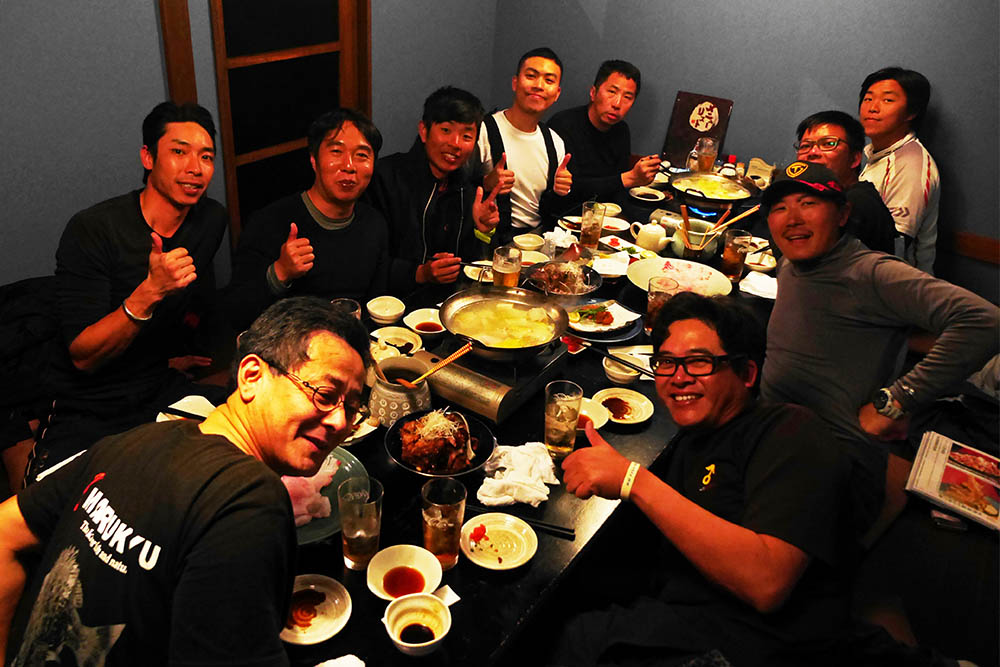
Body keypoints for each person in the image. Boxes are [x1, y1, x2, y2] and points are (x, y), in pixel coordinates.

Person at [0, 297, 369, 665]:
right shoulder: (249, 499)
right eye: (325, 394)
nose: (340, 422)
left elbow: (5, 529)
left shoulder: (135, 438)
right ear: (252, 376)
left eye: (351, 407)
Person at [557, 292, 852, 666]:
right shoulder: (696, 438)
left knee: (583, 639)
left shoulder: (792, 432)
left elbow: (767, 582)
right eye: (666, 362)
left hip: (763, 645)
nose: (678, 378)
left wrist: (633, 480)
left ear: (747, 373)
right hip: (686, 612)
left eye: (698, 362)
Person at [759, 161, 998, 542]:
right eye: (779, 208)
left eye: (808, 203)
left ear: (843, 214)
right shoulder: (791, 264)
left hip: (834, 461)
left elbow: (985, 321)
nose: (792, 218)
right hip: (780, 435)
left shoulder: (870, 272)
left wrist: (900, 398)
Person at [29, 101, 228, 484]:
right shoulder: (93, 229)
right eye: (179, 152)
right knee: (60, 504)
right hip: (88, 401)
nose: (195, 167)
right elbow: (83, 356)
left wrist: (170, 355)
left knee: (246, 442)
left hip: (156, 385)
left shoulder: (210, 219)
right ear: (148, 157)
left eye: (206, 156)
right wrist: (149, 292)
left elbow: (194, 301)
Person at [227, 108, 390, 330]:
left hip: (356, 342)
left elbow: (377, 304)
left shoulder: (375, 224)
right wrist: (280, 272)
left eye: (362, 155)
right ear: (314, 160)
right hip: (291, 346)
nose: (349, 166)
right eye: (336, 152)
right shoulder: (269, 223)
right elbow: (236, 312)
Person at [365, 86, 501, 296]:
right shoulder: (385, 178)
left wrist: (483, 231)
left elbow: (474, 268)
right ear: (424, 131)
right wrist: (420, 273)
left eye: (466, 136)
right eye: (446, 130)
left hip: (447, 303)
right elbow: (368, 260)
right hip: (393, 306)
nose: (455, 144)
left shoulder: (467, 191)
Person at [472, 47, 573, 240]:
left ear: (557, 93)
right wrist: (486, 183)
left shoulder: (555, 142)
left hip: (539, 241)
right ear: (515, 82)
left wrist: (561, 190)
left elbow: (552, 207)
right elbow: (455, 186)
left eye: (549, 80)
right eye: (531, 76)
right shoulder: (483, 130)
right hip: (491, 241)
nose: (539, 85)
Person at [858, 67, 939, 273]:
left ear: (912, 112)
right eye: (868, 99)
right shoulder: (878, 154)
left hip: (898, 283)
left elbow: (895, 246)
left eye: (887, 100)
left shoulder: (911, 164)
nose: (873, 108)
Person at [549, 59, 660, 205]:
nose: (617, 104)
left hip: (607, 212)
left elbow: (618, 190)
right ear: (593, 92)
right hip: (565, 213)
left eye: (627, 97)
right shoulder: (563, 125)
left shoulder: (622, 130)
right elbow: (567, 189)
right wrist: (629, 178)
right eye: (612, 92)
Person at [794, 110, 895, 254]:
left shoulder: (857, 202)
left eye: (828, 144)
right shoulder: (823, 197)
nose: (813, 152)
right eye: (805, 146)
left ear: (854, 159)